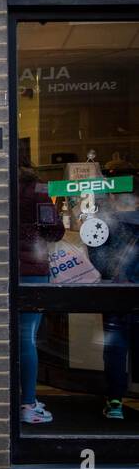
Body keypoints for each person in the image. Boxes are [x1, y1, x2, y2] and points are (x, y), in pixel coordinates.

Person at [85, 159, 139, 420]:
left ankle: (115, 401)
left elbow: (96, 256)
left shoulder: (105, 221)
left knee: (116, 349)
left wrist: (109, 274)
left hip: (114, 292)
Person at [17, 155, 64, 425]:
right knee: (27, 337)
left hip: (7, 270)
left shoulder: (3, 190)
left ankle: (19, 398)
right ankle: (28, 403)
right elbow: (53, 230)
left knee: (14, 337)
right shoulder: (38, 192)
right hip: (33, 271)